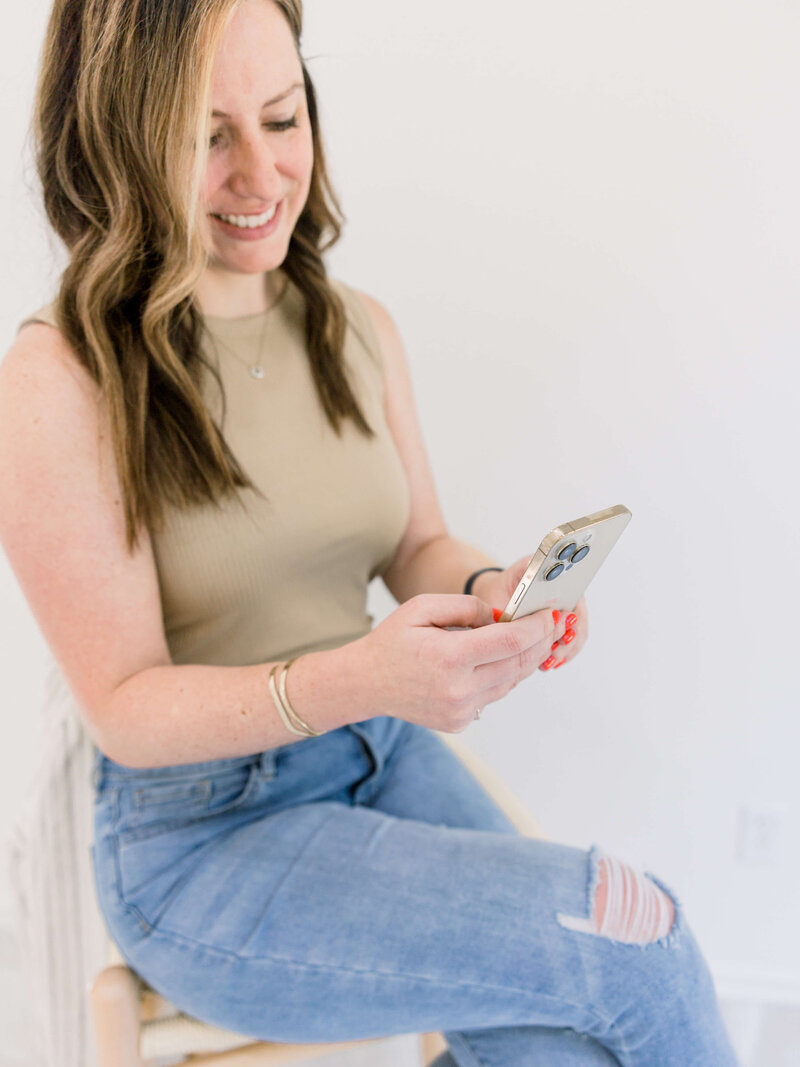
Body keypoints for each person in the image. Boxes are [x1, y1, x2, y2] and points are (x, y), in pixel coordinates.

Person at [0, 1, 738, 1064]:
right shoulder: (61, 380)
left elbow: (416, 544)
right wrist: (366, 676)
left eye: (282, 117)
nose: (261, 176)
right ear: (119, 137)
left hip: (374, 754)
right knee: (637, 930)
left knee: (555, 1039)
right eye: (208, 137)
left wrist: (497, 585)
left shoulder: (354, 329)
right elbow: (123, 708)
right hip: (204, 842)